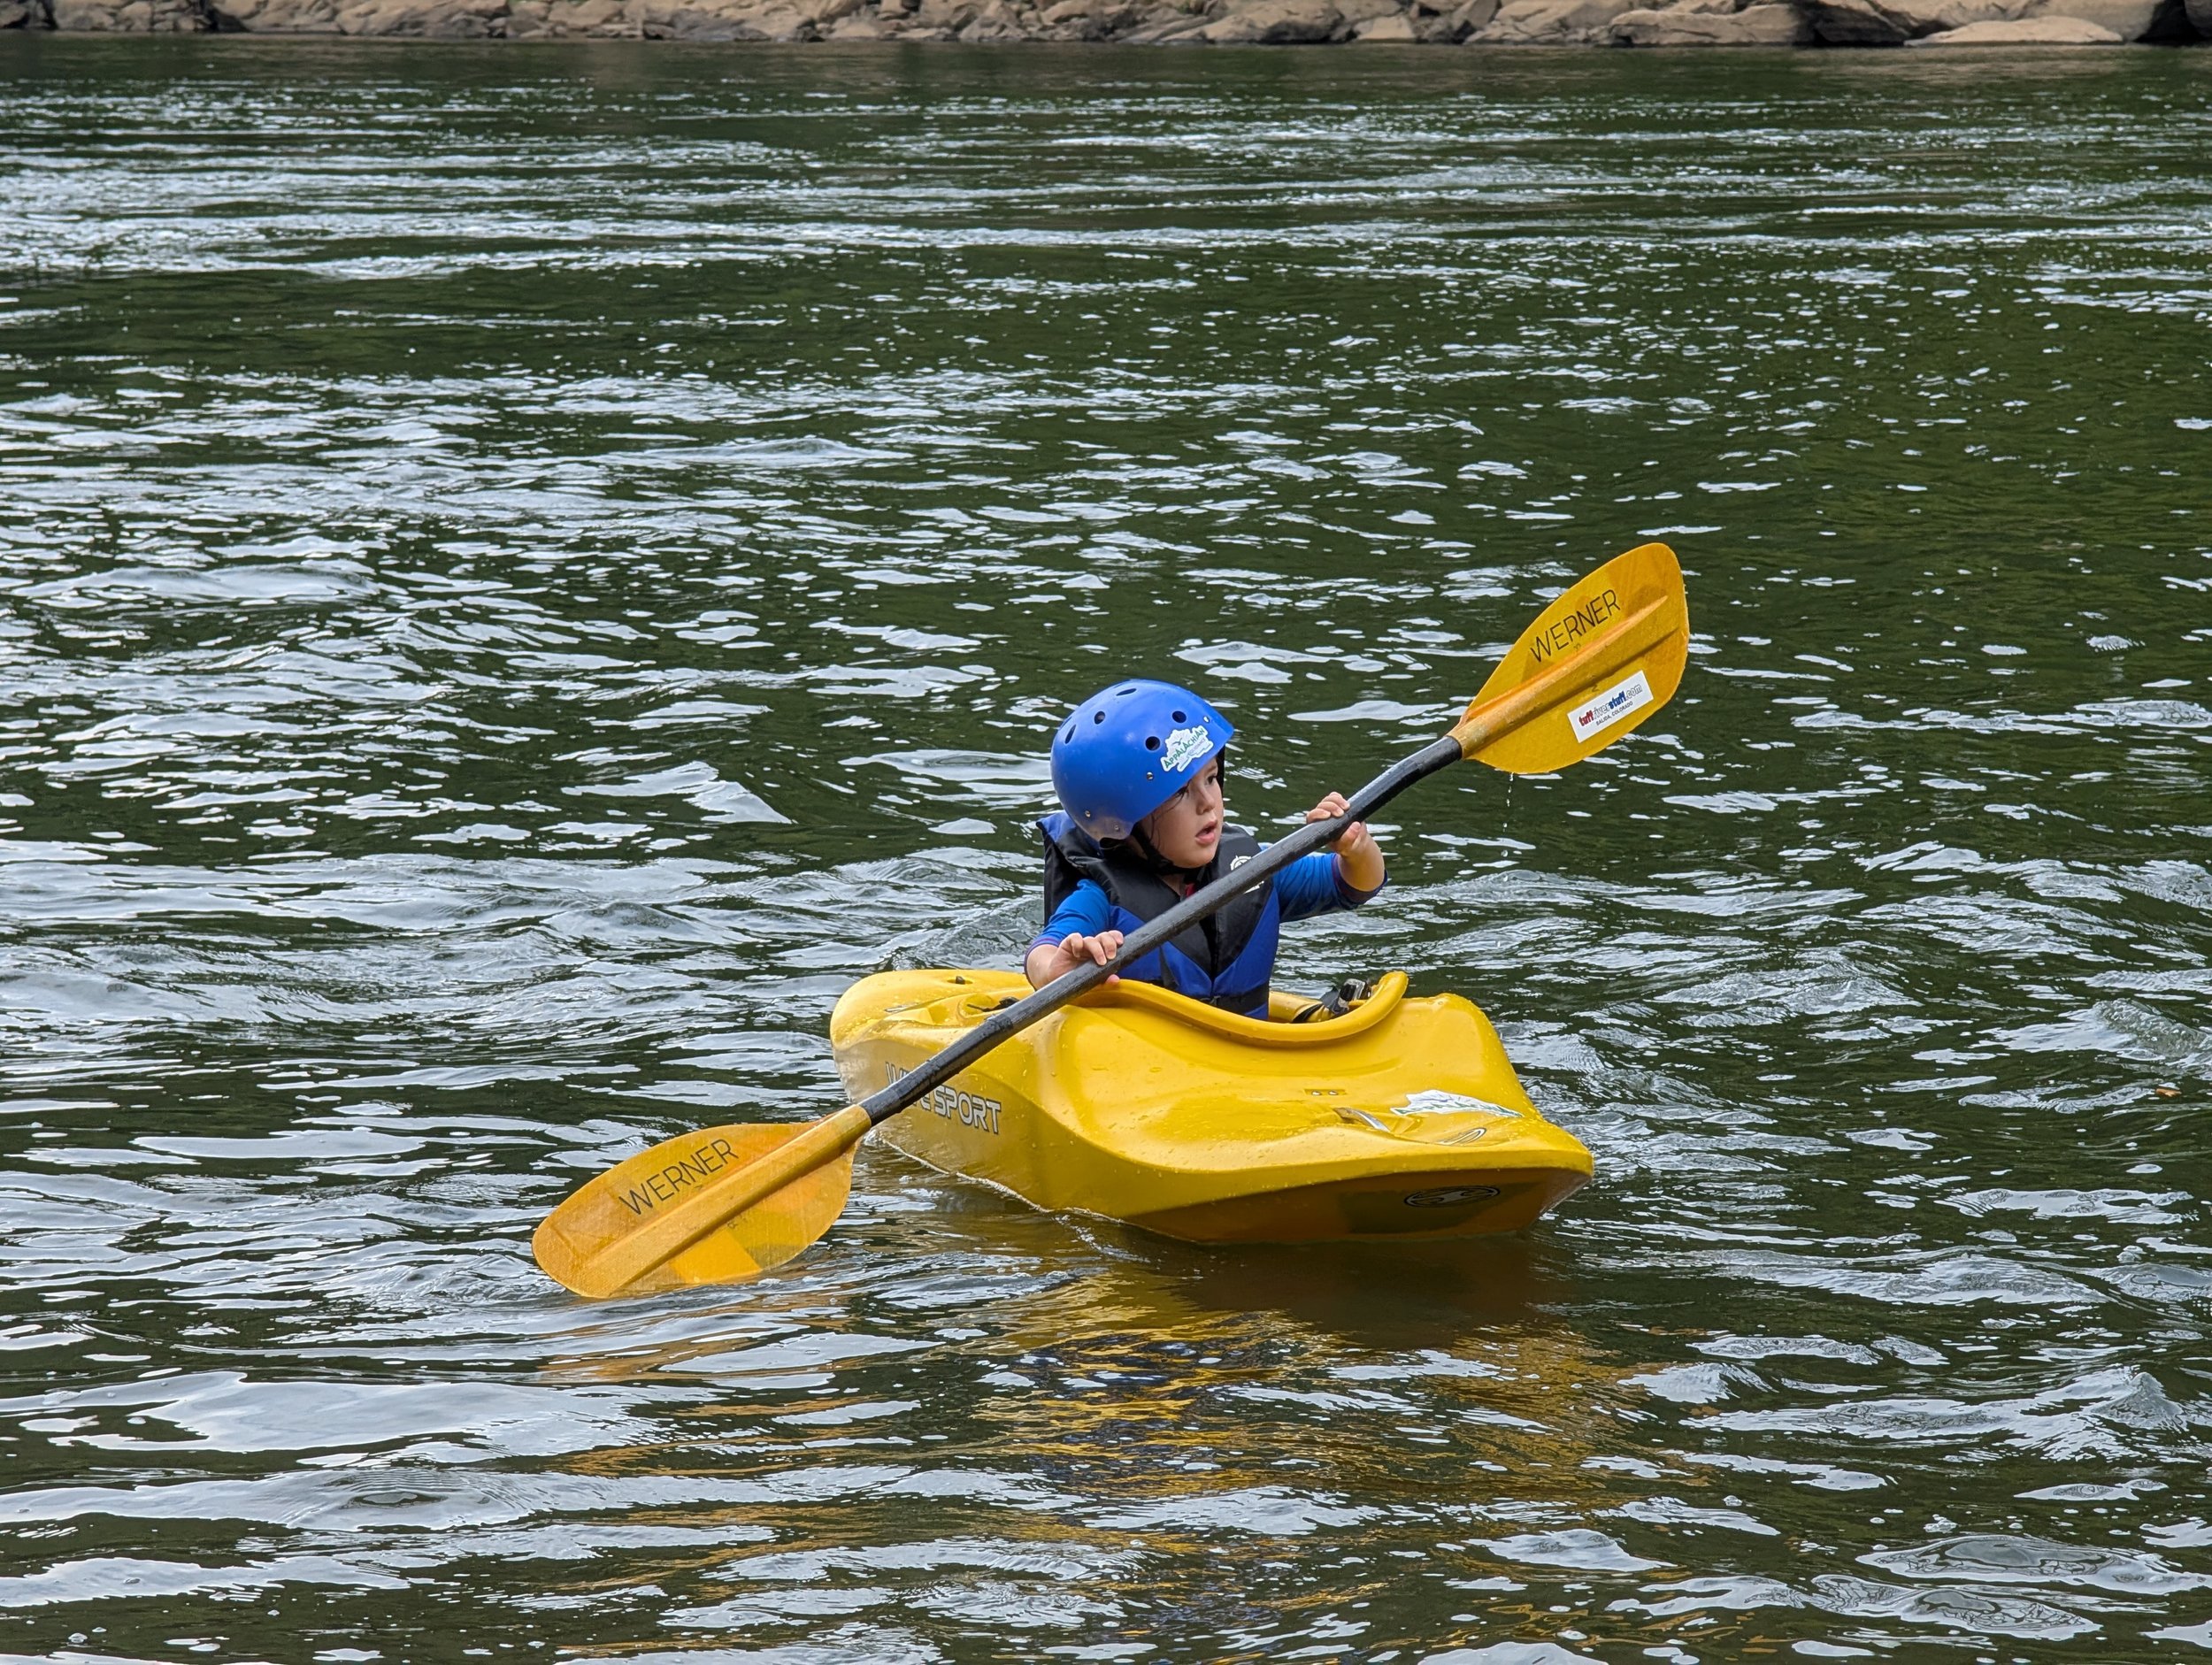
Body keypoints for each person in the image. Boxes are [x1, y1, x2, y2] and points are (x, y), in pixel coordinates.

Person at [1024, 679, 1386, 1016]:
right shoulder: (1101, 898)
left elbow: (1354, 885)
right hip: (1149, 1066)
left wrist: (1356, 847)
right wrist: (1056, 971)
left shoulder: (1250, 870)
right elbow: (1044, 951)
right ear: (1122, 823)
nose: (1208, 802)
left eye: (1211, 778)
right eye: (1179, 792)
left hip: (1250, 1057)